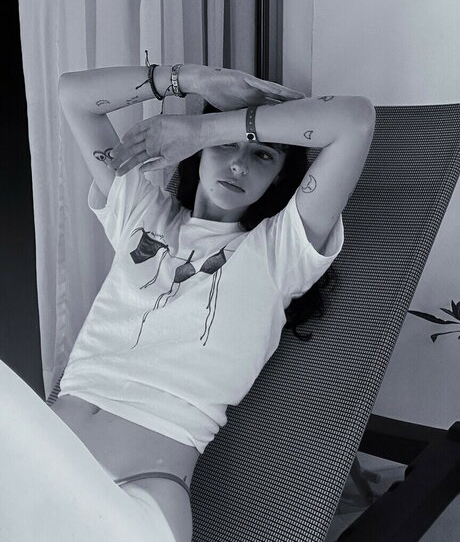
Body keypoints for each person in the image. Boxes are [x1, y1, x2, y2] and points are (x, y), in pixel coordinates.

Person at [0, 62, 375, 541]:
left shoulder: (278, 253)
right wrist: (192, 80)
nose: (239, 164)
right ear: (194, 154)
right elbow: (72, 94)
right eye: (225, 147)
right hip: (38, 461)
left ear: (279, 178)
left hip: (133, 501)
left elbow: (356, 120)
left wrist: (206, 129)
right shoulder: (140, 212)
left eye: (263, 155)